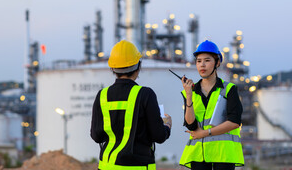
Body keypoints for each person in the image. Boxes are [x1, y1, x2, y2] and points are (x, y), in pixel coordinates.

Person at [91, 40, 172, 170]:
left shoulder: (102, 95)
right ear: (138, 67)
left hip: (107, 166)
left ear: (112, 68)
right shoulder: (146, 94)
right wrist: (167, 125)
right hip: (137, 166)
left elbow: (96, 136)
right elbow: (159, 136)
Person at [179, 40, 244, 170]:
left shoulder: (229, 89)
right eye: (198, 61)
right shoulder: (190, 92)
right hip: (199, 156)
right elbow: (191, 124)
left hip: (223, 155)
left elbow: (234, 122)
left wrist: (205, 133)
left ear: (217, 63)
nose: (202, 65)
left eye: (207, 60)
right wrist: (189, 96)